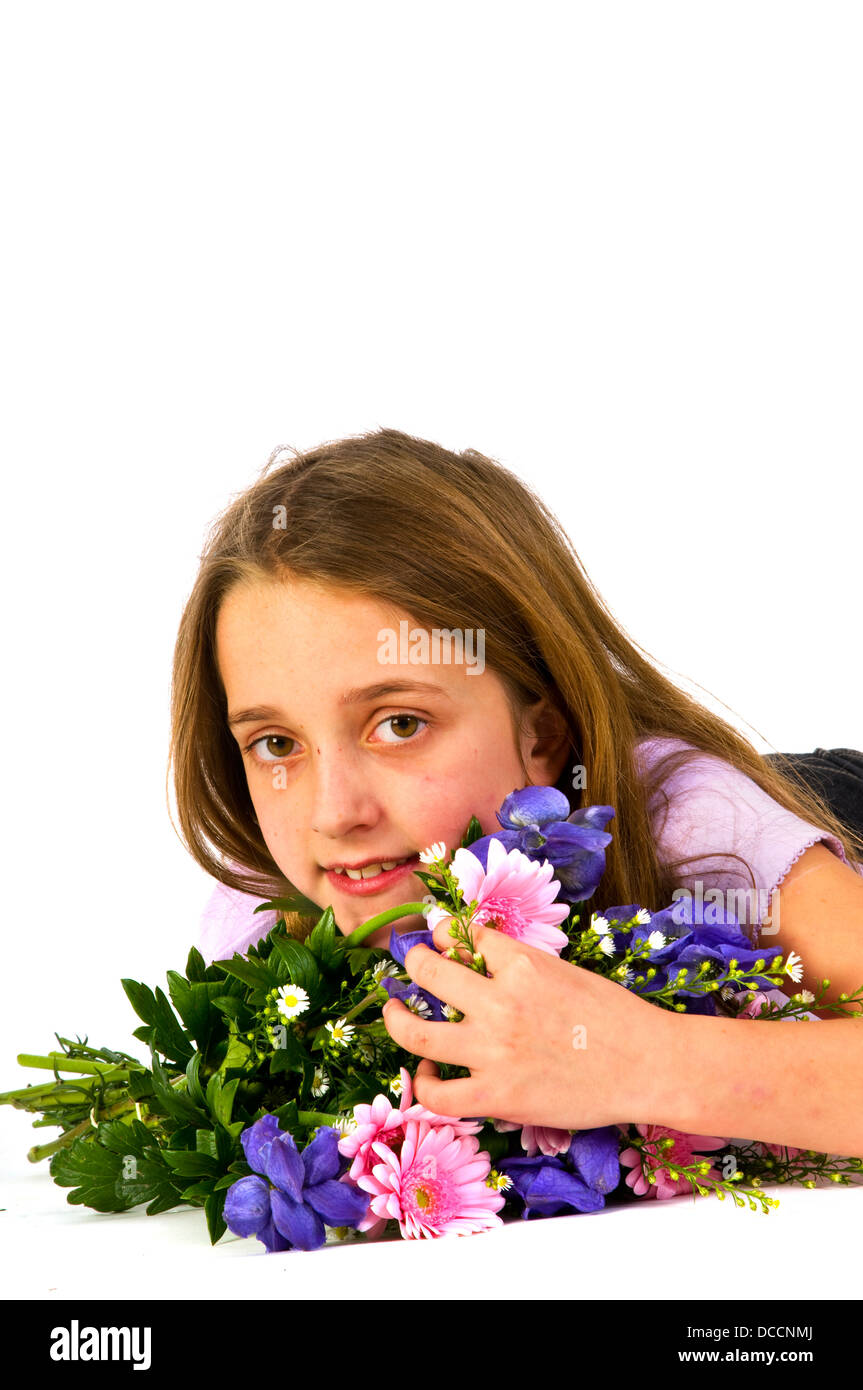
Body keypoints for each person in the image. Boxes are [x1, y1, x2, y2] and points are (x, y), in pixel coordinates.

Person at [170, 427, 863, 1158]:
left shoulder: (705, 831)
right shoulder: (262, 923)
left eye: (399, 724)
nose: (336, 813)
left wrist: (647, 1061)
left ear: (543, 738)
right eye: (276, 745)